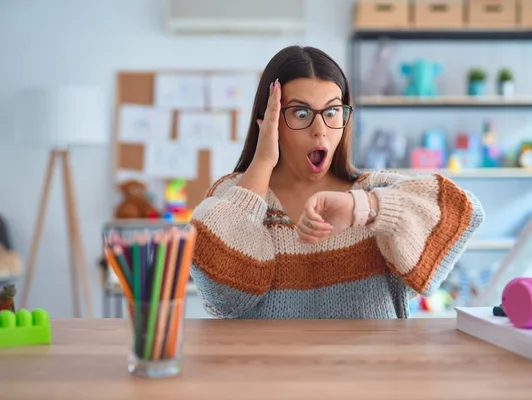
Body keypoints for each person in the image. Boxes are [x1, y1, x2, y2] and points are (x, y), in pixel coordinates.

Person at [188, 45, 485, 319]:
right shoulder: (233, 195)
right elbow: (225, 297)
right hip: (269, 375)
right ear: (269, 120)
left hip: (368, 375)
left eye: (332, 112)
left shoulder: (373, 192)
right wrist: (263, 161)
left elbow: (465, 211)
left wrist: (362, 208)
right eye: (301, 113)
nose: (320, 130)